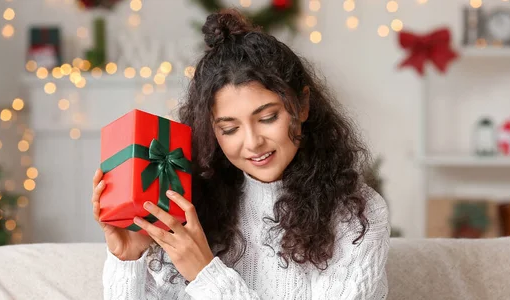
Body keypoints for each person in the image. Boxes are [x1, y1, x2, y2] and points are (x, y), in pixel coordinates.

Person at [92, 8, 390, 300]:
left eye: (268, 118)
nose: (252, 143)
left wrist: (205, 274)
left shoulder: (357, 214)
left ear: (302, 105)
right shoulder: (190, 205)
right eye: (230, 128)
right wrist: (127, 260)